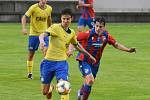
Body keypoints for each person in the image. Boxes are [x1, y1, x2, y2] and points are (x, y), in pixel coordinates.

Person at [39, 8, 96, 100]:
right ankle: (51, 87)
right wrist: (42, 41)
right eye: (64, 19)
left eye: (67, 19)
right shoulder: (55, 27)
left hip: (61, 63)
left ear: (71, 19)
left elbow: (77, 46)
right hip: (48, 62)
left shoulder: (72, 32)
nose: (65, 21)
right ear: (61, 18)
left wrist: (89, 56)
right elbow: (42, 35)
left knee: (64, 85)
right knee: (45, 92)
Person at [76, 17, 136, 100]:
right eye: (96, 26)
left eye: (100, 26)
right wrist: (70, 50)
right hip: (84, 60)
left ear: (104, 27)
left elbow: (116, 44)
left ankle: (80, 92)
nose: (98, 28)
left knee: (89, 82)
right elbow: (74, 39)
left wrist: (128, 50)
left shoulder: (106, 35)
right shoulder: (88, 33)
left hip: (95, 63)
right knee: (90, 80)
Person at [21, 0, 52, 79]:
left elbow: (49, 19)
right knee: (31, 54)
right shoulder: (33, 7)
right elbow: (24, 17)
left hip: (44, 34)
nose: (44, 1)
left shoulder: (49, 8)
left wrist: (51, 29)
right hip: (34, 34)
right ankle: (30, 73)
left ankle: (44, 73)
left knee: (46, 53)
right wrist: (24, 28)